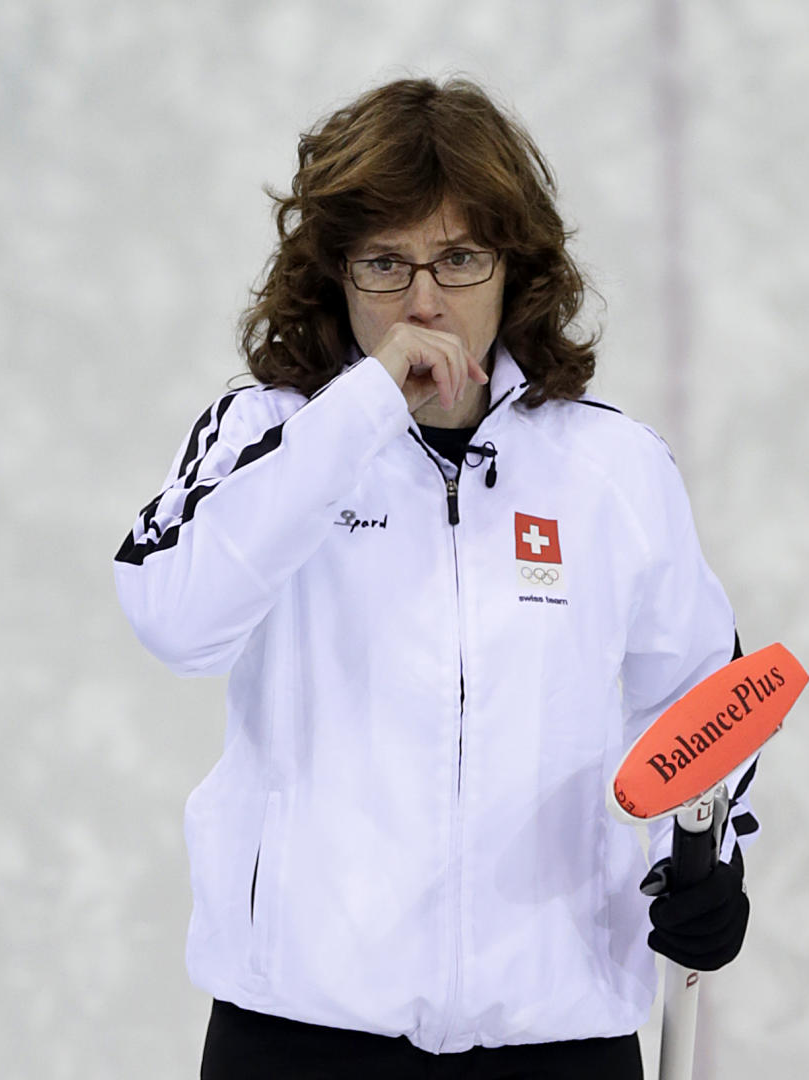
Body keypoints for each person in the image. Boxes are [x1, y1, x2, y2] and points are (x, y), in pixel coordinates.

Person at [114, 76, 756, 1080]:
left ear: (515, 268)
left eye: (459, 257)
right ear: (332, 274)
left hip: (557, 1039)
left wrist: (713, 855)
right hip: (302, 1040)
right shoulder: (268, 438)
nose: (424, 298)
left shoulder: (614, 468)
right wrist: (367, 405)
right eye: (384, 262)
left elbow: (702, 696)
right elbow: (175, 616)